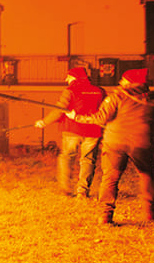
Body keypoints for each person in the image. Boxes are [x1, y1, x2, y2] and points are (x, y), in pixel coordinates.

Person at [68, 67, 154, 226]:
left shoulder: (117, 96)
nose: (120, 82)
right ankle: (150, 211)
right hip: (142, 142)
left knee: (110, 178)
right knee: (147, 175)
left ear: (129, 82)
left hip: (115, 142)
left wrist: (77, 117)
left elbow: (101, 118)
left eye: (123, 80)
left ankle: (105, 215)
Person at [34, 65, 106, 198]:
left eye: (68, 77)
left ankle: (66, 189)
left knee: (67, 157)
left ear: (74, 77)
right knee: (88, 160)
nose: (66, 79)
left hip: (72, 130)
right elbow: (104, 111)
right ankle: (82, 191)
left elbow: (60, 110)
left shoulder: (70, 91)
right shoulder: (99, 91)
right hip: (93, 131)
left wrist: (44, 122)